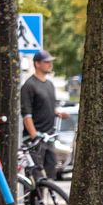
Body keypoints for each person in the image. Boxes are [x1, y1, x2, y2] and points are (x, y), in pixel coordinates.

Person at [20, 50, 66, 178]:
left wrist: (57, 113)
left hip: (49, 137)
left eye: (50, 62)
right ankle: (34, 198)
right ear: (37, 64)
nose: (50, 64)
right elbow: (26, 114)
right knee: (36, 175)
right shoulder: (29, 86)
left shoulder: (50, 84)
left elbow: (47, 106)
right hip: (35, 139)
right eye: (46, 62)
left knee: (51, 172)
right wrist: (34, 135)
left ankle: (44, 197)